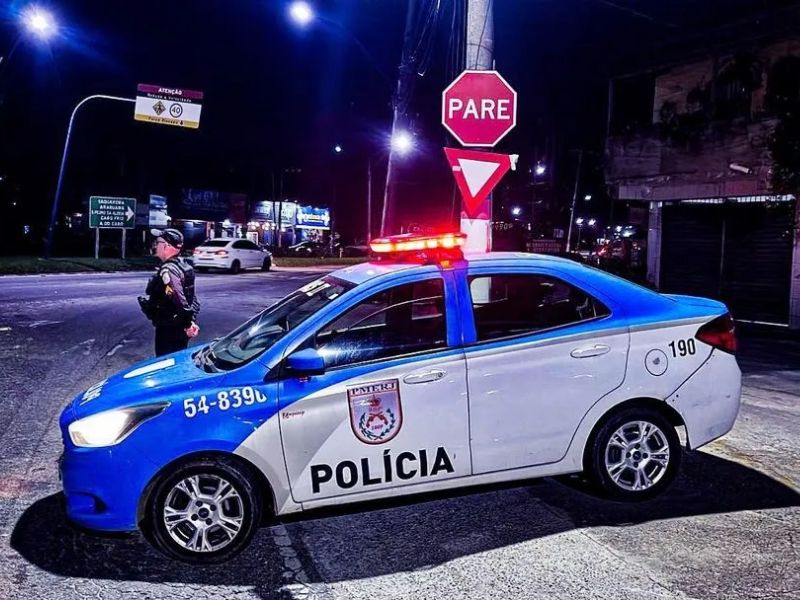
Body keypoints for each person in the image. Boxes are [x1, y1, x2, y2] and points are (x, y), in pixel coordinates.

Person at [138, 228, 200, 356]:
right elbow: (192, 299)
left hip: (170, 330)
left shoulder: (169, 270)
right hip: (177, 327)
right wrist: (190, 322)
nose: (156, 245)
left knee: (166, 364)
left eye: (158, 242)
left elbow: (179, 299)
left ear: (166, 246)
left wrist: (188, 324)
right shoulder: (183, 265)